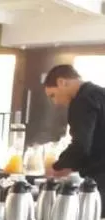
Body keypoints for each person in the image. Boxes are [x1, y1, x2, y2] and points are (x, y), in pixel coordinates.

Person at [45, 64, 105, 207]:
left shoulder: (82, 100)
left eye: (53, 95)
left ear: (62, 82)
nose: (56, 102)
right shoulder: (100, 93)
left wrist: (57, 167)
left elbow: (81, 144)